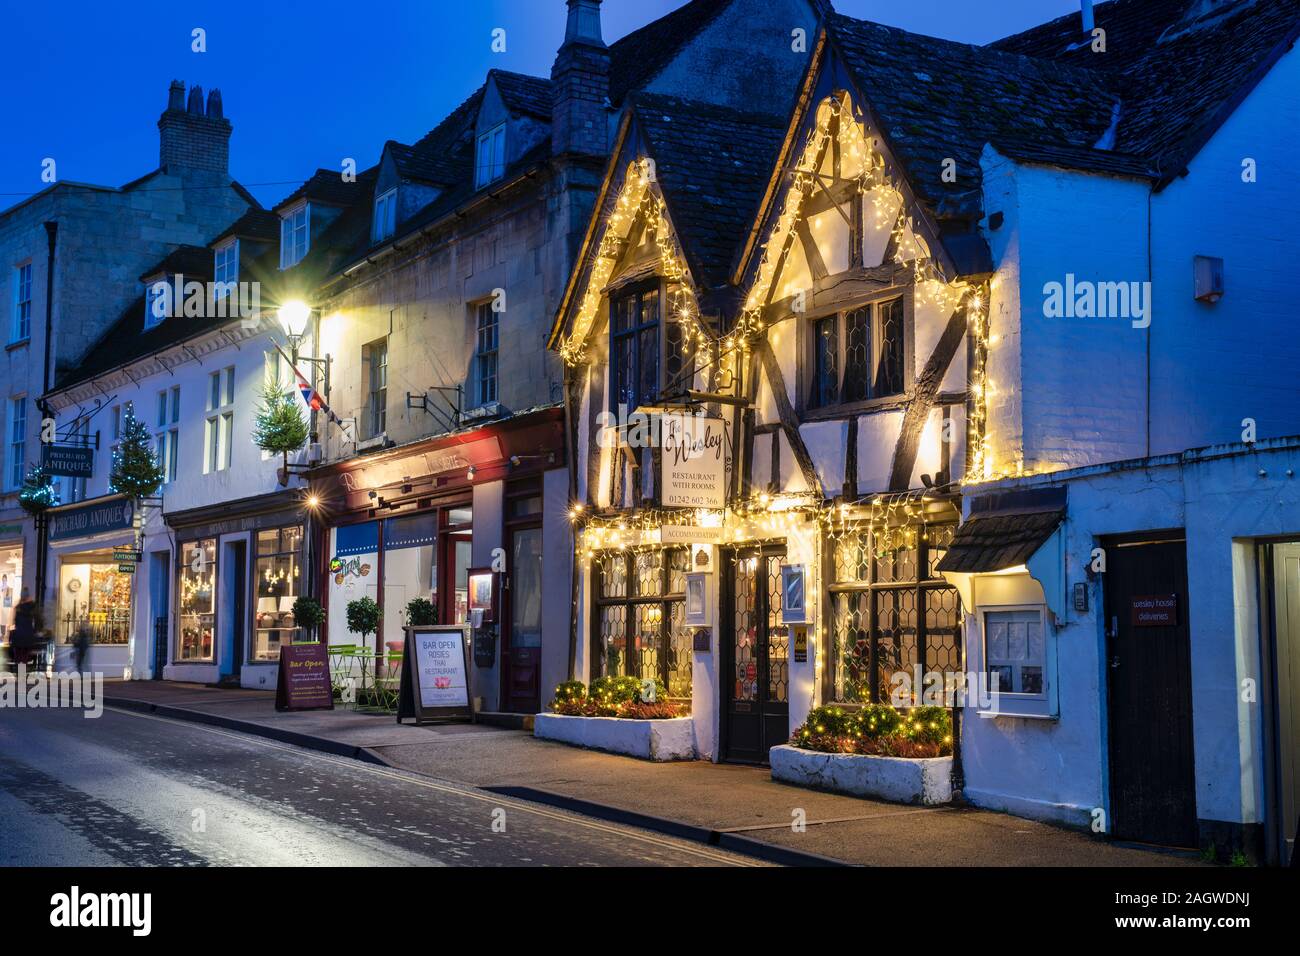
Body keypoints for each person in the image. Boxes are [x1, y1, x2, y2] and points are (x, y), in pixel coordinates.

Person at [10, 588, 40, 673]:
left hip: (18, 635)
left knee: (19, 657)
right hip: (28, 635)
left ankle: (20, 674)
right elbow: (38, 620)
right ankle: (22, 675)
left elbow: (15, 622)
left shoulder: (18, 608)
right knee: (25, 656)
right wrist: (35, 631)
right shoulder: (32, 607)